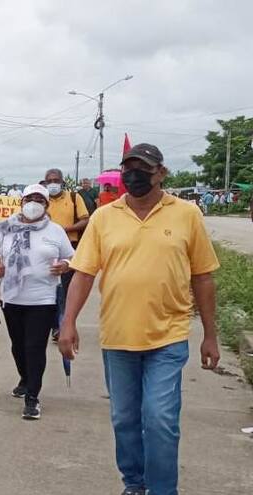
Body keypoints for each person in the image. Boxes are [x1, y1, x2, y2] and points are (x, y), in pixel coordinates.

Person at [59, 143, 220, 495]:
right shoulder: (104, 216)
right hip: (118, 337)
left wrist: (210, 335)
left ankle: (163, 490)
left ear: (161, 173)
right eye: (128, 169)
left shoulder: (187, 214)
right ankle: (135, 483)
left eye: (143, 169)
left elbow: (203, 276)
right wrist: (67, 323)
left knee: (160, 419)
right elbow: (83, 273)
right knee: (125, 420)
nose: (134, 175)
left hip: (169, 335)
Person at [0, 184, 74, 420]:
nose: (33, 203)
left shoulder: (55, 231)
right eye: (29, 198)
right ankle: (25, 377)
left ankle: (32, 397)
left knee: (35, 347)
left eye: (39, 199)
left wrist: (64, 265)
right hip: (12, 298)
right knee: (18, 345)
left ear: (46, 204)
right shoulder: (7, 227)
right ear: (21, 202)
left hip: (43, 298)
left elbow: (73, 258)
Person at [44, 168, 89, 340]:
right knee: (51, 290)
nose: (53, 184)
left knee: (65, 290)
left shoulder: (74, 198)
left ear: (62, 182)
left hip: (68, 248)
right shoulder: (41, 199)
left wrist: (65, 230)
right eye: (49, 181)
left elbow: (86, 220)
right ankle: (54, 325)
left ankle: (63, 325)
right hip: (46, 250)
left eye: (56, 180)